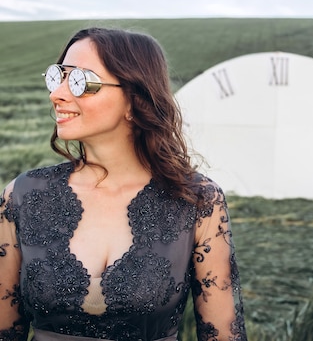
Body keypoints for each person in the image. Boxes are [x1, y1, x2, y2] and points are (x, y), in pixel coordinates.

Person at [0, 27, 247, 341]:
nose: (57, 93)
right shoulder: (22, 196)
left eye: (80, 81)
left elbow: (224, 336)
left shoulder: (197, 201)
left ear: (134, 99)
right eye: (57, 76)